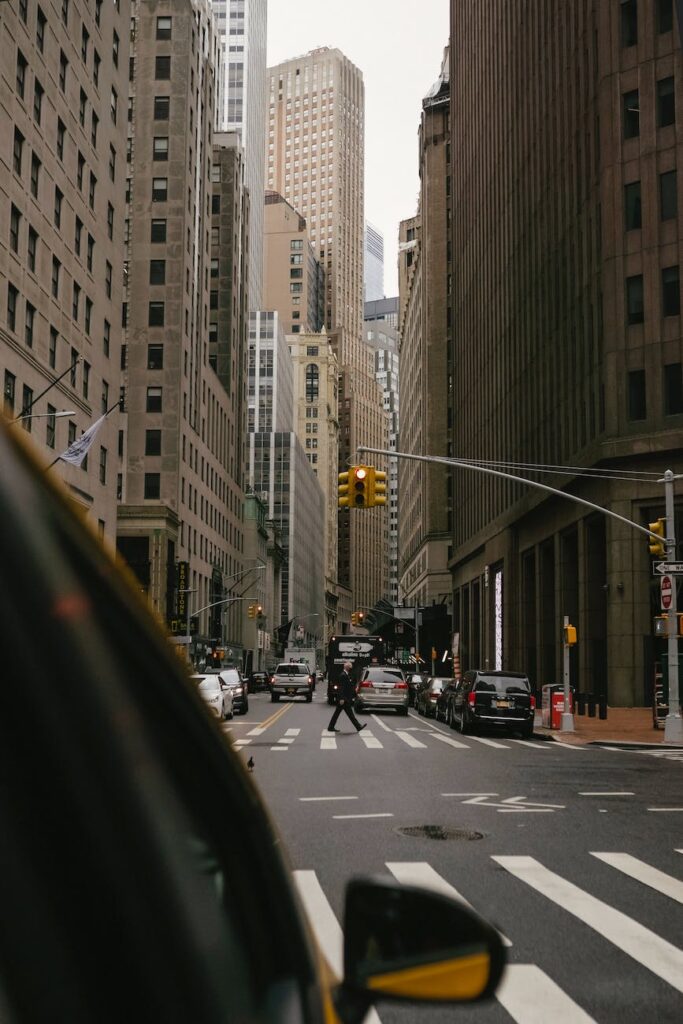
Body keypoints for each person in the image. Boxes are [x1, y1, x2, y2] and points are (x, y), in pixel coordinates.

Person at [327, 661, 367, 733]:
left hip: (344, 698)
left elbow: (348, 686)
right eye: (350, 667)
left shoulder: (346, 674)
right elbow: (341, 688)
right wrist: (342, 698)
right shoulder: (343, 675)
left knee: (339, 713)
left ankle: (331, 727)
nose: (351, 668)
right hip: (344, 699)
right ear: (347, 667)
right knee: (349, 714)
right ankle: (358, 726)